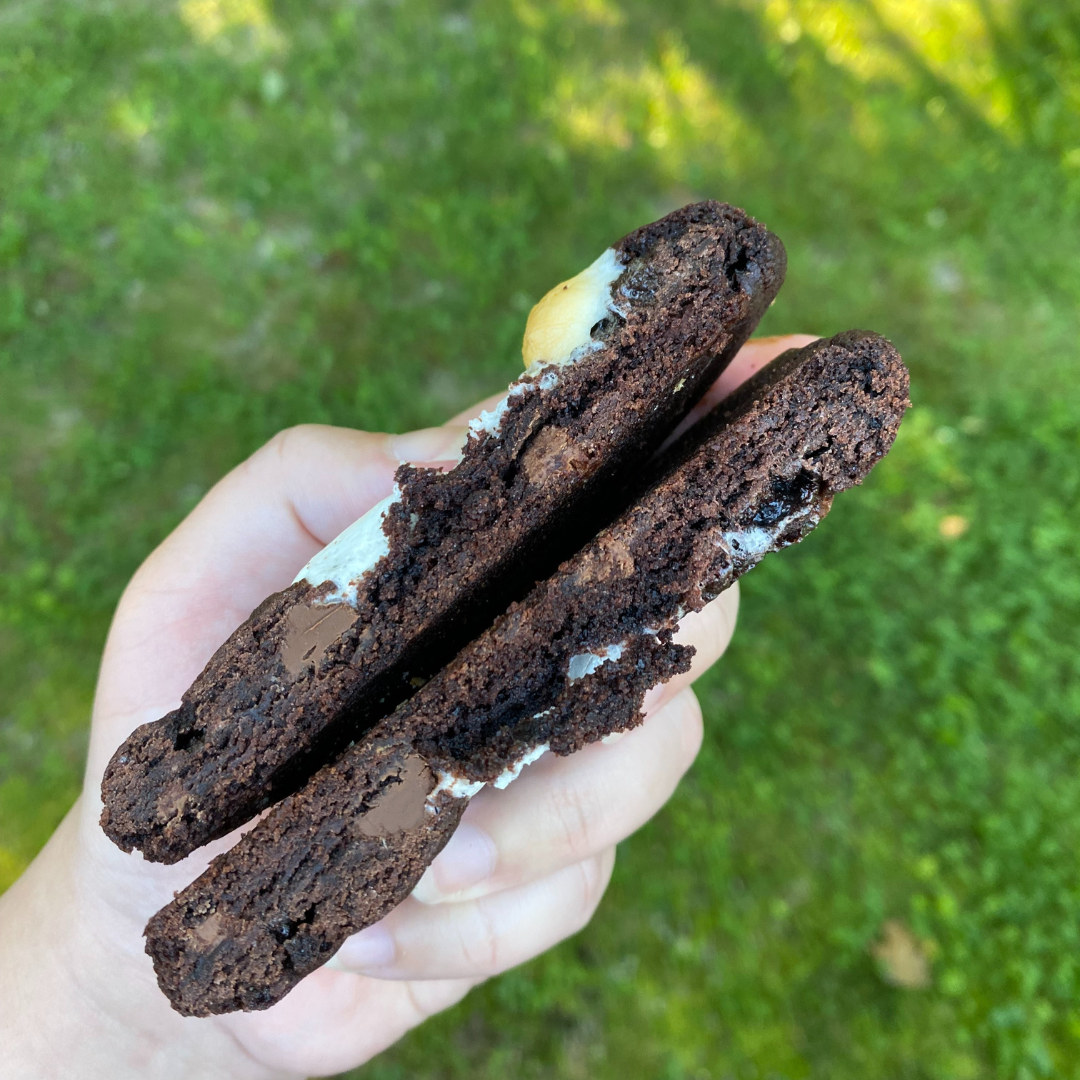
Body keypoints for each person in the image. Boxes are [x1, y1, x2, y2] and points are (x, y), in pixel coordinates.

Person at [0, 336, 815, 1080]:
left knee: (406, 773)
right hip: (346, 678)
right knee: (365, 718)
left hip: (397, 769)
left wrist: (106, 1015)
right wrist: (97, 999)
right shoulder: (302, 653)